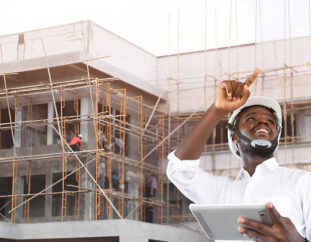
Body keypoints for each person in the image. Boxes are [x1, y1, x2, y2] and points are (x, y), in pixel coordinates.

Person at [166, 69, 311, 242]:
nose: (263, 121)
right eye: (251, 118)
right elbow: (180, 170)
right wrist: (217, 110)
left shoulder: (303, 182)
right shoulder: (222, 192)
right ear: (234, 136)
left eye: (271, 121)